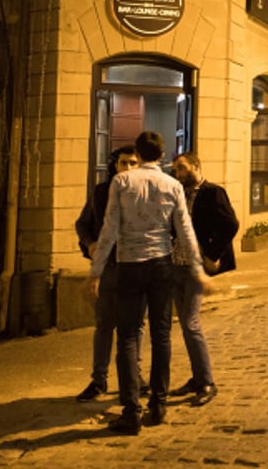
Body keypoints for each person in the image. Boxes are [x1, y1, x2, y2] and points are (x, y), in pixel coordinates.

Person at [88, 131, 212, 434]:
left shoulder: (121, 182)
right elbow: (185, 230)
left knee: (128, 336)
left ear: (139, 154)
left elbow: (109, 229)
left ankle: (131, 411)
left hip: (130, 264)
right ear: (161, 153)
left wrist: (96, 271)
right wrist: (198, 270)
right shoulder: (172, 184)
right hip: (161, 264)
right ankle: (158, 404)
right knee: (161, 335)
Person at [74, 145, 146, 402]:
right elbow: (82, 223)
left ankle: (134, 376)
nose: (128, 168)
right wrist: (90, 243)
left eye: (133, 163)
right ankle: (99, 379)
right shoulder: (101, 192)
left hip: (136, 267)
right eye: (123, 163)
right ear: (114, 166)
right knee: (105, 324)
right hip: (109, 268)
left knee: (136, 326)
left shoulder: (147, 191)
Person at [170, 151, 240, 407]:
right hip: (175, 263)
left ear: (196, 166)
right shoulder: (178, 193)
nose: (178, 173)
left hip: (196, 268)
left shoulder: (213, 192)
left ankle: (208, 382)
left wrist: (213, 253)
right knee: (185, 324)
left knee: (191, 323)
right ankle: (197, 378)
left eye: (182, 167)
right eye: (175, 169)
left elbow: (230, 224)